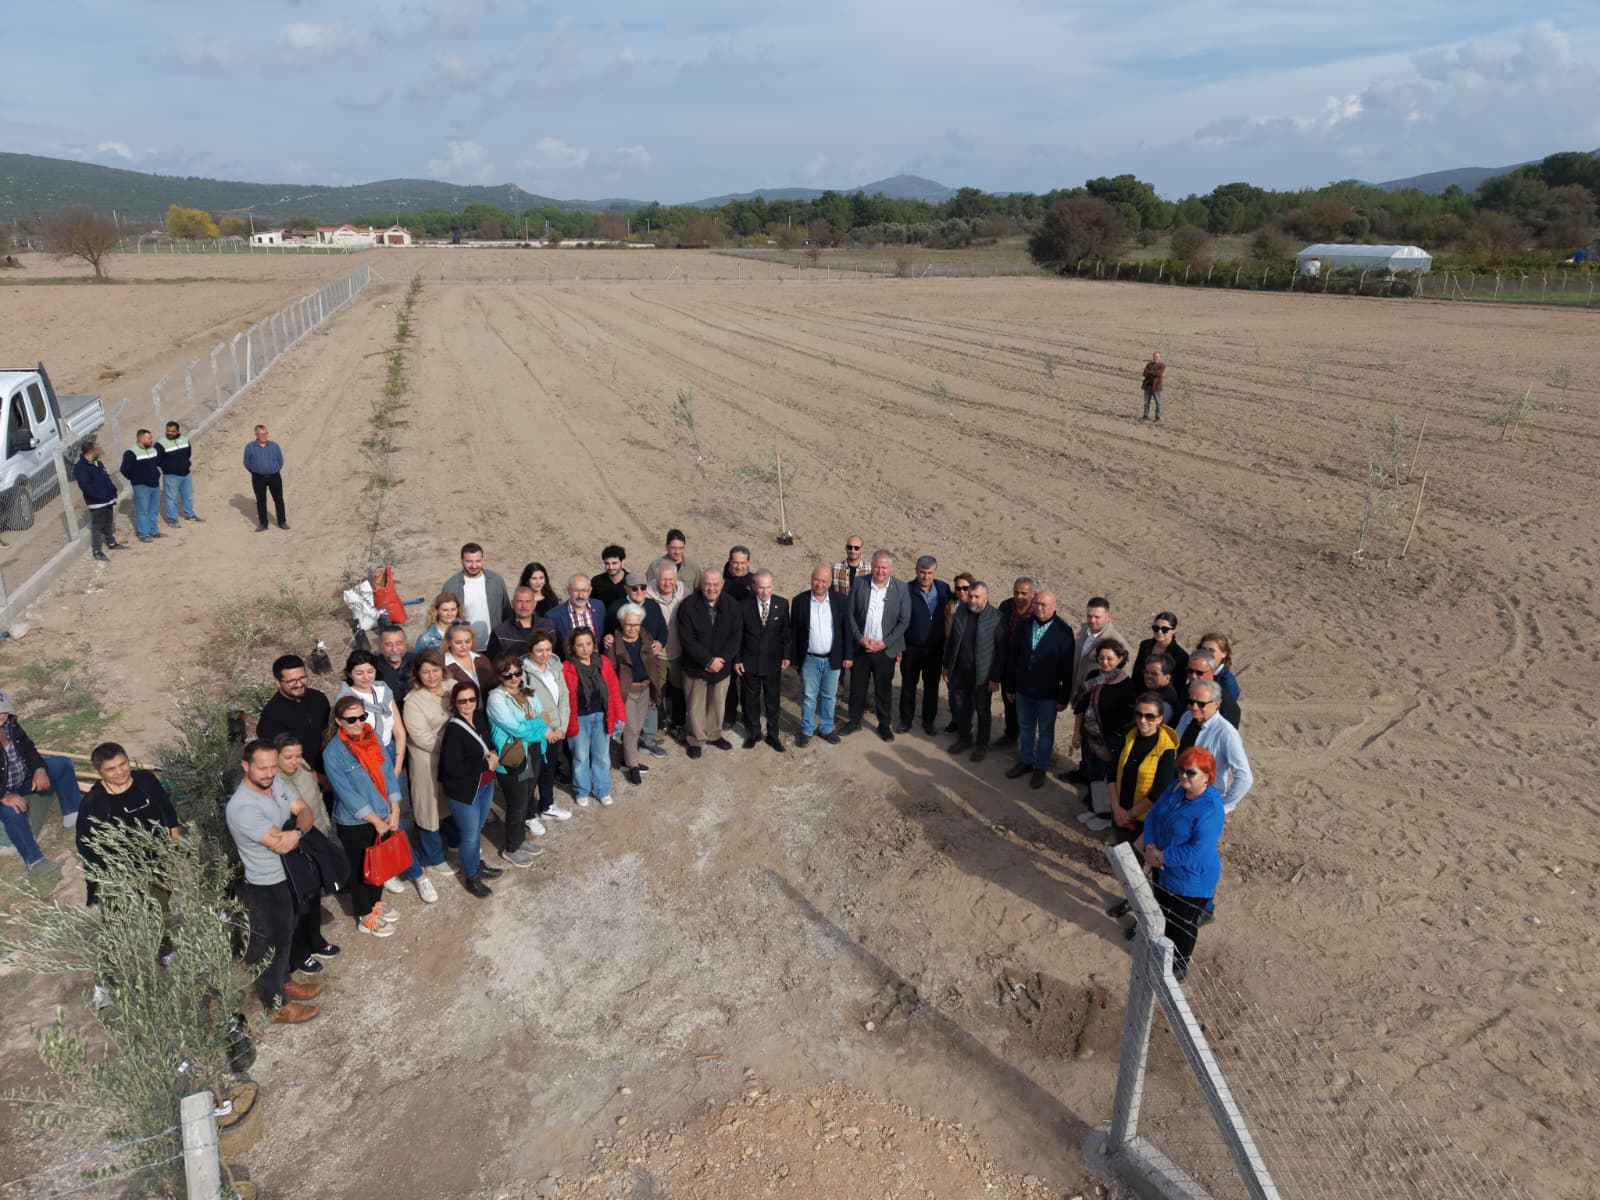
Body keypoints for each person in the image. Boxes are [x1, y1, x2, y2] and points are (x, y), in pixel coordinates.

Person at [227, 740, 324, 1020]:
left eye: (273, 766)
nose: (269, 773)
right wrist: (295, 833)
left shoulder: (275, 784)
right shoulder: (242, 807)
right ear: (245, 766)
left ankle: (285, 983)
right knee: (274, 945)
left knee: (288, 932)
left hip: (288, 876)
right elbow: (280, 844)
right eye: (262, 768)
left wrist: (297, 832)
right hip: (267, 884)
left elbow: (305, 810)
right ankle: (275, 1005)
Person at [1135, 747, 1226, 980]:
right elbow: (1154, 815)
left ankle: (1178, 965)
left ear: (1206, 777)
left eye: (1190, 773)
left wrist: (1162, 857)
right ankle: (1160, 949)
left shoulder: (1211, 809)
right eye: (1181, 770)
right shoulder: (1176, 788)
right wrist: (1151, 846)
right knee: (1163, 911)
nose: (1183, 776)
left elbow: (1199, 849)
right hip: (1163, 870)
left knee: (1182, 925)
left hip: (1190, 880)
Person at [325, 696, 410, 937]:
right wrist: (375, 820)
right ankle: (364, 914)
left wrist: (395, 808)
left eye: (362, 717)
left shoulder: (372, 737)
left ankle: (375, 903)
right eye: (351, 719)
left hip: (384, 813)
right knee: (361, 868)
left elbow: (388, 773)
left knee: (380, 864)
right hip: (356, 822)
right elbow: (346, 793)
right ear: (339, 721)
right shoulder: (333, 752)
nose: (358, 723)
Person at [74, 742, 180, 907]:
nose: (120, 772)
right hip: (122, 867)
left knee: (159, 903)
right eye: (111, 769)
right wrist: (102, 876)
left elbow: (166, 807)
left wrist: (175, 839)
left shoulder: (146, 780)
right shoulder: (94, 803)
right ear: (99, 772)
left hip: (156, 857)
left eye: (123, 764)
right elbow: (86, 845)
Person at [0, 689, 84, 875]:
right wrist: (4, 796)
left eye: (4, 710)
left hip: (22, 780)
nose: (2, 715)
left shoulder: (10, 724)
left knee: (62, 765)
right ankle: (35, 861)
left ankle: (73, 818)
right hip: (3, 793)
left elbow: (29, 749)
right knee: (13, 812)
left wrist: (39, 770)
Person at [1002, 589, 1075, 788]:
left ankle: (1040, 767)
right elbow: (1013, 657)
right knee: (1025, 727)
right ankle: (1026, 761)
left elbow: (1067, 669)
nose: (1039, 608)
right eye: (1037, 604)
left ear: (1054, 606)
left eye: (1044, 605)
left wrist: (1063, 697)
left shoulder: (1063, 632)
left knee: (1045, 732)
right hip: (1023, 690)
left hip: (1048, 694)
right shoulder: (1025, 625)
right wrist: (1010, 685)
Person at [436, 682, 503, 897]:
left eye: (472, 699)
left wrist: (493, 751)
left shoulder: (479, 718)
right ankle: (472, 876)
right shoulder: (454, 729)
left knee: (477, 829)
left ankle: (476, 864)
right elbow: (452, 768)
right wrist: (484, 764)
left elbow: (489, 742)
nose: (468, 704)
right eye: (462, 701)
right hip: (465, 792)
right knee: (470, 836)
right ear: (454, 703)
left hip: (485, 785)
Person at [487, 653, 552, 865]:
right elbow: (516, 728)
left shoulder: (527, 691)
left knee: (526, 798)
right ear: (499, 677)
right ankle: (511, 848)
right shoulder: (496, 699)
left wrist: (536, 725)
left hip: (532, 751)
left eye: (517, 673)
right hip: (514, 757)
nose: (514, 678)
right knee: (516, 803)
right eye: (508, 675)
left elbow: (542, 714)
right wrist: (540, 725)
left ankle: (520, 839)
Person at [844, 550, 911, 742]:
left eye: (884, 567)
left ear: (891, 568)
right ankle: (854, 721)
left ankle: (884, 725)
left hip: (884, 650)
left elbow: (904, 621)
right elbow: (850, 614)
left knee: (883, 690)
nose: (880, 571)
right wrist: (860, 638)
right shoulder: (859, 583)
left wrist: (885, 643)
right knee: (857, 688)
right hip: (862, 647)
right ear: (871, 566)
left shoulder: (901, 588)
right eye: (876, 567)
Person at [677, 569, 742, 759]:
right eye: (707, 584)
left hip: (721, 666)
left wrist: (721, 660)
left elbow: (736, 636)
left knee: (717, 702)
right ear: (701, 584)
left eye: (715, 584)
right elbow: (687, 639)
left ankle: (714, 734)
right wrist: (707, 660)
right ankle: (696, 739)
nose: (711, 588)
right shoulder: (688, 605)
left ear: (722, 585)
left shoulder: (731, 605)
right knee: (695, 705)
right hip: (695, 666)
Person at [403, 650, 456, 877]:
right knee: (429, 808)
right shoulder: (413, 702)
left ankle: (454, 841)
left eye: (435, 670)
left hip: (453, 757)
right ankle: (433, 857)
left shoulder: (452, 686)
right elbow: (421, 737)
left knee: (450, 800)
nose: (432, 676)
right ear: (417, 674)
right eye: (426, 672)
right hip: (428, 759)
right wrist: (455, 746)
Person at [1071, 637, 1132, 829]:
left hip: (1110, 740)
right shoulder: (1093, 676)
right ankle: (1095, 808)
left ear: (1120, 659)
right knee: (1093, 773)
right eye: (1101, 658)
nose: (1105, 662)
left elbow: (1128, 718)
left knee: (1107, 777)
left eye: (1110, 658)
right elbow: (1081, 707)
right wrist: (1076, 732)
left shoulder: (1126, 685)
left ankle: (1105, 815)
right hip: (1089, 735)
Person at [1062, 597, 1125, 782]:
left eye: (1097, 617)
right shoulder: (1084, 632)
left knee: (1098, 753)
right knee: (1085, 743)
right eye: (1089, 616)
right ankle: (1084, 772)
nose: (1092, 620)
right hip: (1083, 697)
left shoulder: (1115, 643)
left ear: (1108, 616)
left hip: (1099, 707)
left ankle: (1094, 787)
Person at [561, 629, 626, 807]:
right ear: (572, 647)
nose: (585, 649)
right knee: (580, 757)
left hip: (601, 716)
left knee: (602, 756)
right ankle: (582, 790)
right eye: (580, 645)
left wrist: (620, 716)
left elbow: (614, 691)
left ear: (594, 644)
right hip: (578, 719)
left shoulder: (603, 662)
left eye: (588, 644)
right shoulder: (566, 668)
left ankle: (602, 790)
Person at [943, 581, 1005, 762]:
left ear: (986, 598)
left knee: (982, 710)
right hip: (961, 671)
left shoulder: (996, 617)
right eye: (970, 596)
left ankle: (981, 744)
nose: (972, 600)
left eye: (977, 597)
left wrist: (995, 678)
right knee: (962, 707)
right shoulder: (961, 611)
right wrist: (947, 666)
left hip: (983, 675)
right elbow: (952, 640)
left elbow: (1002, 651)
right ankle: (964, 739)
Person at [604, 602, 665, 785]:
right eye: (629, 624)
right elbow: (609, 671)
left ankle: (626, 759)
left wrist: (655, 686)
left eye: (636, 624)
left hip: (645, 689)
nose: (632, 628)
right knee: (630, 729)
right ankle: (633, 766)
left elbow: (653, 662)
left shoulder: (646, 637)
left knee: (637, 727)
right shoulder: (613, 643)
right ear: (622, 623)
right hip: (626, 692)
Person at [1172, 680, 1254, 815]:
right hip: (1176, 796)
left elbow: (1244, 777)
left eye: (1201, 704)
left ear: (1217, 704)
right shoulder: (1187, 717)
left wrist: (1222, 807)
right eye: (1190, 702)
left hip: (1202, 805)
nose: (1194, 707)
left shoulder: (1226, 733)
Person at [791, 564, 849, 747]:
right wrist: (794, 659)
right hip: (809, 658)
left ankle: (826, 728)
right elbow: (794, 632)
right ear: (811, 579)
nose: (819, 584)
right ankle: (806, 730)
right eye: (816, 579)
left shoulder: (840, 601)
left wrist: (848, 656)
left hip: (833, 658)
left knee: (829, 696)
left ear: (830, 582)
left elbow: (846, 631)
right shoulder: (800, 601)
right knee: (809, 696)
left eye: (824, 581)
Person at [518, 631, 571, 830]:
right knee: (531, 774)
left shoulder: (555, 666)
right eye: (539, 650)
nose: (545, 654)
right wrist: (546, 730)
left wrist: (561, 728)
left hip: (556, 730)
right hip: (536, 731)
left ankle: (547, 805)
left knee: (548, 770)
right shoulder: (522, 672)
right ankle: (528, 814)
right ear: (530, 650)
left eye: (548, 649)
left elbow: (564, 696)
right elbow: (526, 705)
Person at [1109, 696, 1178, 845]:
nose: (1142, 720)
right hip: (1119, 811)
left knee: (1136, 855)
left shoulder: (1166, 749)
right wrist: (1116, 809)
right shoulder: (1127, 736)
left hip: (1144, 820)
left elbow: (1159, 792)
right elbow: (1112, 774)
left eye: (1149, 716)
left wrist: (1129, 815)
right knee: (1121, 847)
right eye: (1139, 714)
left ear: (1160, 719)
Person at [334, 650, 408, 784]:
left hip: (389, 751)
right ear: (349, 674)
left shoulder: (384, 692)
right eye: (359, 673)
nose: (366, 677)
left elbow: (399, 731)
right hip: (363, 758)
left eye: (370, 671)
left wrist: (397, 766)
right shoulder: (345, 699)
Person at [736, 570, 790, 751]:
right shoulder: (744, 605)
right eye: (761, 588)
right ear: (754, 587)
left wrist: (786, 656)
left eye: (768, 587)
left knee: (772, 701)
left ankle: (773, 735)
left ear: (772, 586)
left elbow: (786, 634)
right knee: (751, 701)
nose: (765, 592)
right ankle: (754, 733)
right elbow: (738, 635)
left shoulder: (782, 604)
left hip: (773, 663)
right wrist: (737, 659)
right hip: (749, 663)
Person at [899, 555, 950, 735]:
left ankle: (929, 721)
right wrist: (900, 646)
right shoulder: (906, 590)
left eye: (929, 573)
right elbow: (900, 620)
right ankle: (906, 720)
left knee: (931, 687)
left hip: (934, 650)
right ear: (916, 571)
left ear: (935, 572)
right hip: (911, 649)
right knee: (908, 685)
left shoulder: (944, 589)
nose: (925, 577)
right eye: (922, 572)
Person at [257, 655, 332, 778]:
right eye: (292, 681)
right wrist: (319, 779)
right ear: (278, 682)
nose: (299, 684)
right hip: (303, 779)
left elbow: (329, 732)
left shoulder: (318, 698)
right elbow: (284, 760)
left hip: (331, 767)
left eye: (302, 678)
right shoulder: (271, 717)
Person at [648, 561, 690, 734]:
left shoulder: (685, 593)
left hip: (678, 651)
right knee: (658, 690)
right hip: (657, 654)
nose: (667, 583)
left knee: (679, 689)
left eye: (671, 579)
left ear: (676, 579)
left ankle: (678, 723)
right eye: (663, 579)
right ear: (656, 578)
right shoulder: (647, 595)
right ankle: (659, 724)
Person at [993, 578, 1036, 748]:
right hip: (1007, 663)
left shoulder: (1038, 610)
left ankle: (1026, 744)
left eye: (1024, 593)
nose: (1019, 596)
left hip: (1027, 668)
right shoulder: (1006, 606)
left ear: (1032, 594)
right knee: (1009, 702)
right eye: (1016, 592)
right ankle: (1011, 734)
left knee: (1027, 708)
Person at [444, 543, 511, 648]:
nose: (474, 566)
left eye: (478, 561)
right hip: (464, 648)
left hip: (494, 645)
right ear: (461, 560)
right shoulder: (451, 585)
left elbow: (506, 611)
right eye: (469, 561)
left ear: (483, 559)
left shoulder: (497, 581)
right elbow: (444, 618)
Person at [721, 546, 755, 732]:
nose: (739, 566)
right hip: (727, 639)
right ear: (729, 561)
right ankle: (730, 714)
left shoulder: (754, 582)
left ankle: (749, 715)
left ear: (748, 562)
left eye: (743, 563)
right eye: (735, 562)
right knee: (730, 681)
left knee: (748, 680)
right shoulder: (722, 582)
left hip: (748, 640)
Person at [72, 439, 123, 562]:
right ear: (92, 451)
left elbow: (106, 478)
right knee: (97, 526)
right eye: (97, 449)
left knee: (108, 522)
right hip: (97, 502)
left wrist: (112, 490)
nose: (98, 451)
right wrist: (98, 496)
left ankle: (111, 542)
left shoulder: (97, 462)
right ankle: (97, 551)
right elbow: (85, 486)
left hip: (108, 499)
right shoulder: (80, 467)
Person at [271, 733, 330, 835]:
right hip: (300, 838)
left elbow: (318, 797)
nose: (294, 762)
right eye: (288, 757)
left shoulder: (304, 767)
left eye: (298, 756)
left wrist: (326, 824)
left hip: (322, 831)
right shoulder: (272, 783)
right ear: (275, 756)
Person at [119, 428, 163, 543]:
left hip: (155, 485)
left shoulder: (153, 450)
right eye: (149, 438)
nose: (152, 440)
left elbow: (156, 464)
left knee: (153, 510)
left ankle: (154, 531)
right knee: (143, 511)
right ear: (141, 439)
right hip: (141, 487)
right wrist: (136, 479)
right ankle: (144, 534)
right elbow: (124, 469)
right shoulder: (131, 453)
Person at [489, 586, 557, 659]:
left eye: (528, 601)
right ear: (512, 603)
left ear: (534, 604)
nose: (524, 606)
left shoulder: (549, 627)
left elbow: (556, 656)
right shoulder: (500, 632)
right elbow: (494, 662)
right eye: (519, 601)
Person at [155, 420, 202, 526]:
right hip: (171, 475)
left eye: (172, 431)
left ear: (178, 431)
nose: (170, 433)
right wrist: (167, 467)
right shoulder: (160, 444)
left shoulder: (184, 440)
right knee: (171, 498)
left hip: (186, 473)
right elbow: (157, 460)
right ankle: (172, 520)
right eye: (168, 431)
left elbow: (188, 454)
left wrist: (183, 464)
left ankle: (190, 515)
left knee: (188, 495)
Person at [243, 424, 289, 532]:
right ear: (256, 434)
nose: (264, 436)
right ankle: (263, 523)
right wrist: (255, 471)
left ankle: (282, 522)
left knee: (278, 499)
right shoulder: (250, 447)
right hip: (258, 478)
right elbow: (246, 463)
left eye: (266, 433)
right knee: (261, 500)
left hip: (274, 476)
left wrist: (274, 469)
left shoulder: (274, 446)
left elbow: (280, 460)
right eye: (262, 434)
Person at [1183, 651, 1241, 728]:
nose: (1193, 676)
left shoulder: (1226, 704)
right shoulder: (1186, 690)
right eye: (1190, 671)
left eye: (1199, 673)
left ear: (1212, 671)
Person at [1197, 632, 1242, 729]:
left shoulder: (1227, 683)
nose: (1206, 654)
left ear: (1224, 654)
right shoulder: (1198, 672)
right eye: (1203, 650)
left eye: (1212, 650)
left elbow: (1228, 711)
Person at [549, 574, 606, 644]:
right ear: (568, 590)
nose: (580, 595)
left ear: (590, 591)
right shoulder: (553, 615)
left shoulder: (599, 606)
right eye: (576, 590)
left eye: (584, 590)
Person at [1132, 613, 1187, 684]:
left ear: (1173, 631)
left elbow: (1179, 684)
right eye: (1156, 628)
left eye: (1165, 629)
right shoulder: (1145, 645)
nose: (1159, 632)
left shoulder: (1181, 656)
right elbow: (1136, 672)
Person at [442, 624, 496, 695]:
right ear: (449, 642)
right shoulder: (442, 664)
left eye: (467, 641)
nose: (464, 646)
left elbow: (494, 685)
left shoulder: (482, 659)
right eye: (458, 643)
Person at [648, 528, 702, 592]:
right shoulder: (654, 566)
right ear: (667, 547)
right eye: (673, 548)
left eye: (680, 548)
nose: (677, 552)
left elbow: (700, 591)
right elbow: (648, 590)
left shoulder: (693, 567)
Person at [377, 626, 413, 705]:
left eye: (399, 643)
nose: (394, 649)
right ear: (380, 645)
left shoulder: (416, 662)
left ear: (405, 644)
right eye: (388, 644)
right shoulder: (372, 670)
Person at [591, 544, 630, 610]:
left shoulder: (631, 581)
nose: (610, 567)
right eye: (607, 563)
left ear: (622, 562)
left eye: (614, 563)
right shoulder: (596, 581)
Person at [1140, 350, 1165, 423]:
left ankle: (1157, 417)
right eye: (1154, 356)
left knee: (1158, 403)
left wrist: (1150, 372)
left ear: (1160, 357)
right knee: (1146, 402)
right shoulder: (1149, 364)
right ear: (1153, 357)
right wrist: (1153, 373)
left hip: (1156, 387)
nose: (1156, 358)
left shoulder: (1162, 365)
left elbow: (1159, 374)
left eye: (1157, 357)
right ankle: (1145, 416)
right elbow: (1144, 373)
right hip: (1148, 386)